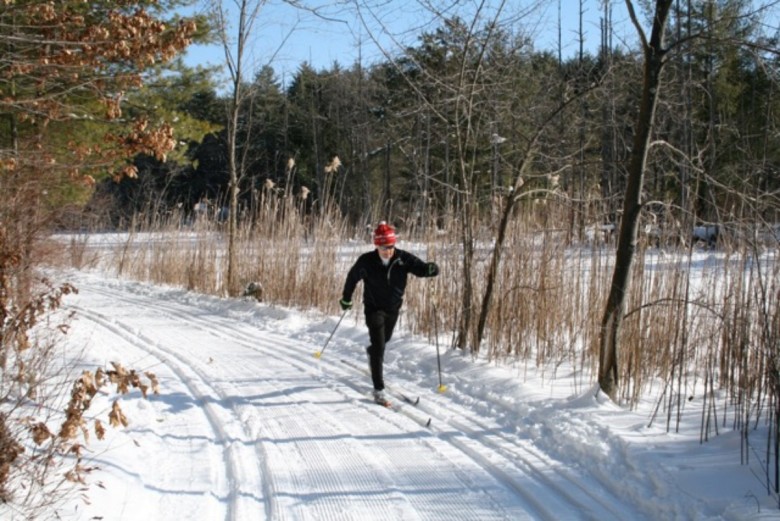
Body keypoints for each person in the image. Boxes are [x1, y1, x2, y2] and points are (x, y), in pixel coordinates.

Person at [340, 221, 439, 405]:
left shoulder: (402, 258)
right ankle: (378, 390)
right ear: (377, 245)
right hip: (373, 308)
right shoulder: (366, 261)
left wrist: (430, 269)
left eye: (391, 246)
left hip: (393, 309)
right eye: (384, 247)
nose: (388, 251)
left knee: (384, 341)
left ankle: (372, 353)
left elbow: (420, 268)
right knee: (379, 346)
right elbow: (352, 278)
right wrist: (346, 298)